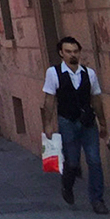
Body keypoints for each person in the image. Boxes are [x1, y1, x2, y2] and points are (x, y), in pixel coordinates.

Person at [44, 36, 108, 213]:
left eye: (75, 51)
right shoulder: (53, 73)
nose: (73, 55)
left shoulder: (89, 74)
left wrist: (103, 123)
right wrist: (48, 124)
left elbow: (96, 99)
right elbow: (49, 100)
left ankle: (97, 200)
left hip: (88, 122)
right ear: (61, 53)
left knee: (94, 161)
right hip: (67, 122)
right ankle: (67, 186)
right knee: (72, 162)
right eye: (68, 52)